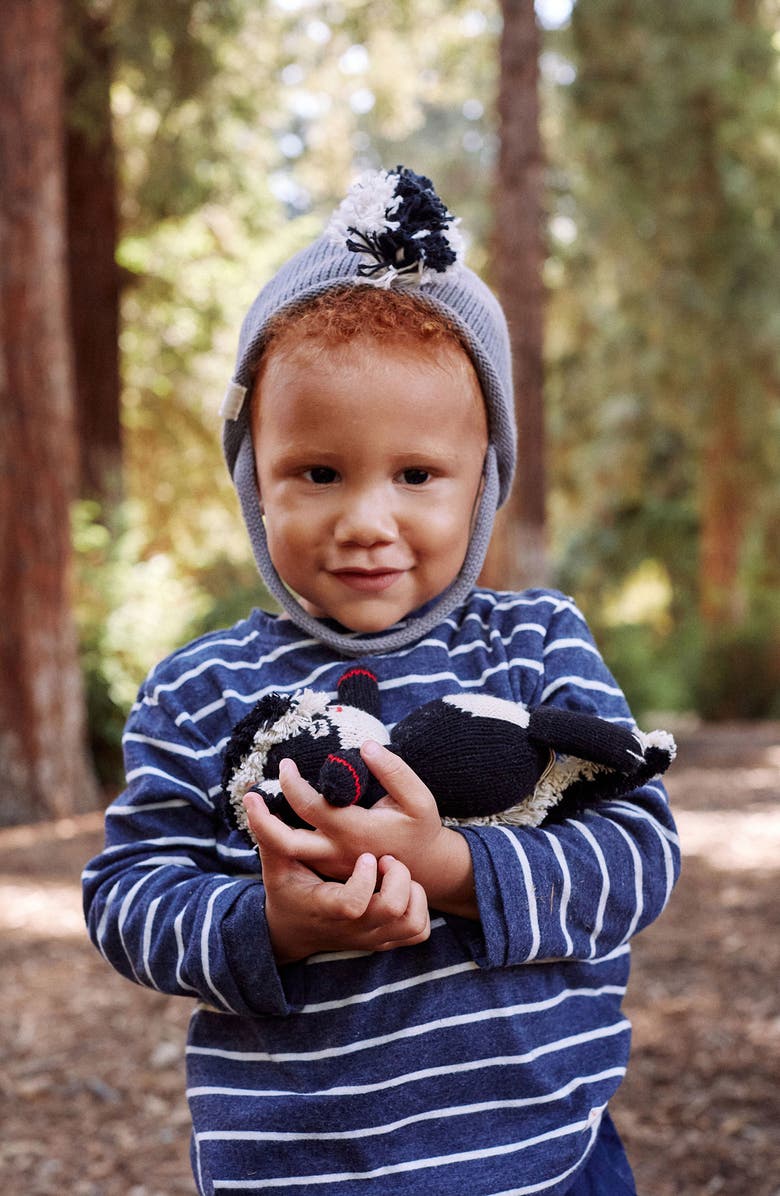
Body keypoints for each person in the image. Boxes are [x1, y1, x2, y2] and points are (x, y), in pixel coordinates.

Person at [83, 166, 680, 1195]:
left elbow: (639, 853)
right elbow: (128, 893)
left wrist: (452, 867)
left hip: (548, 1157)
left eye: (416, 475)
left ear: (483, 480)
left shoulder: (535, 643)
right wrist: (272, 926)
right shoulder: (202, 687)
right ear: (255, 479)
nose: (367, 521)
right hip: (300, 1171)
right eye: (318, 473)